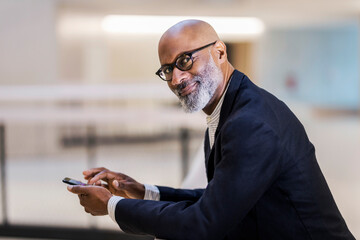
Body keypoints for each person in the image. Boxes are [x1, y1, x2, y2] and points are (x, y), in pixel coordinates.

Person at [67, 19, 355, 240]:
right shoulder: (231, 109)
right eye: (167, 70)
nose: (176, 78)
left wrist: (111, 206)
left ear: (219, 52)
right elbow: (218, 199)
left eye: (184, 61)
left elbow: (205, 223)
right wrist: (142, 191)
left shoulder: (250, 123)